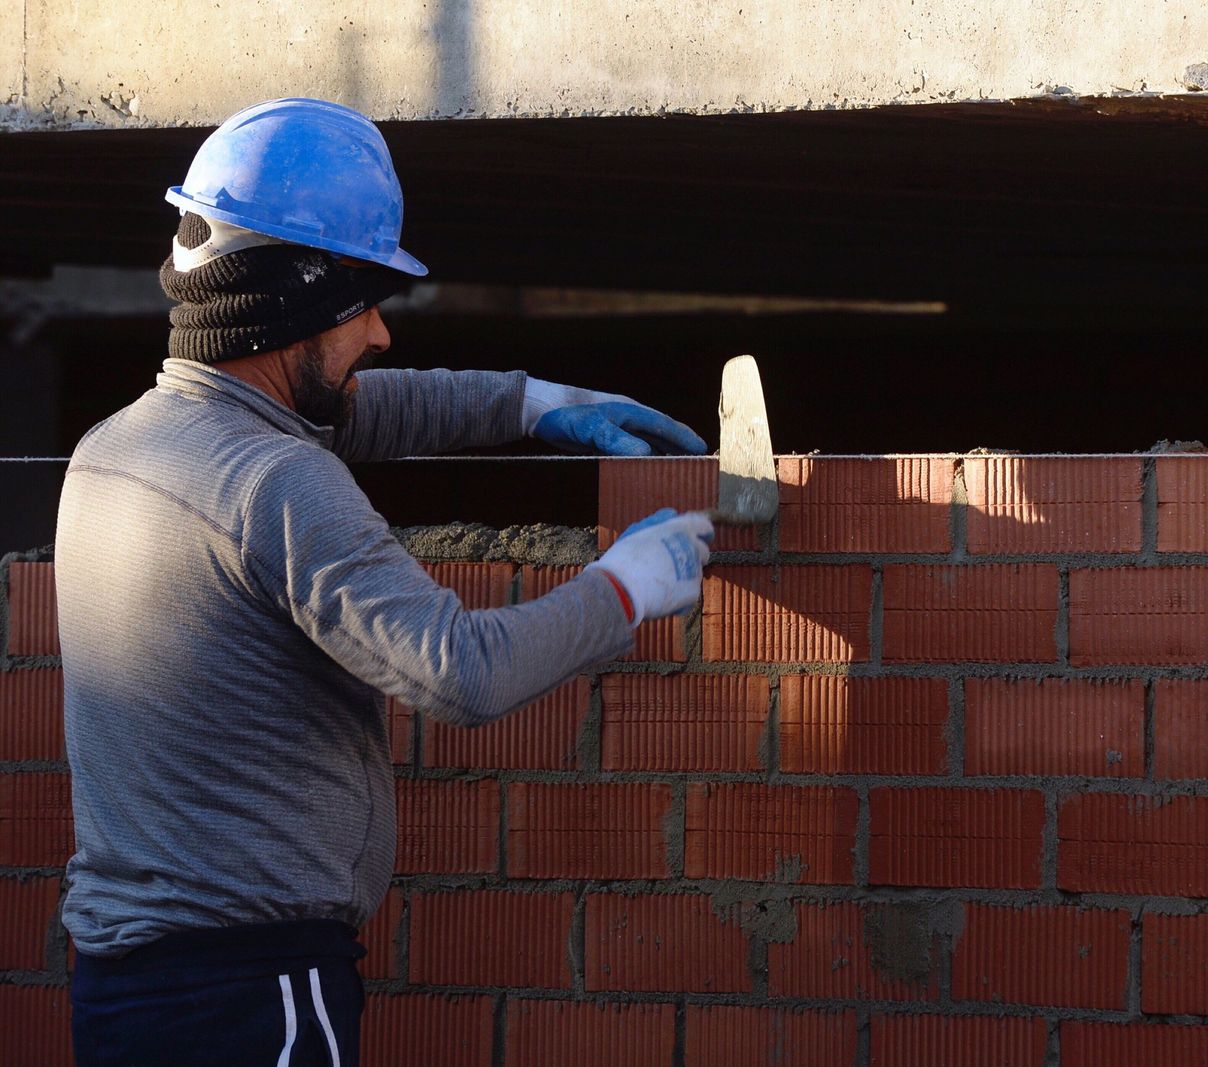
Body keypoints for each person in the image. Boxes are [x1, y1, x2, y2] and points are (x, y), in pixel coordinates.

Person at [53, 97, 715, 1066]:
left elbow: (359, 412)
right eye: (361, 303)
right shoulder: (277, 482)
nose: (380, 334)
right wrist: (623, 586)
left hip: (129, 985)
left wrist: (531, 401)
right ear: (292, 301)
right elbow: (459, 670)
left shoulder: (118, 449)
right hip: (248, 994)